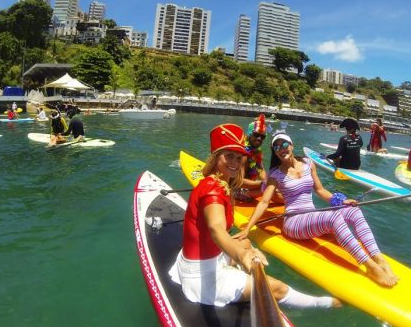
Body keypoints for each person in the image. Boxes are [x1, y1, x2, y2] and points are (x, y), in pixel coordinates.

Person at [168, 123, 342, 309]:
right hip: (202, 277)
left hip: (203, 259)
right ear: (216, 157)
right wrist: (241, 255)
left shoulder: (220, 184)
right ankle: (324, 304)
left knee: (245, 242)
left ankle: (240, 274)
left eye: (239, 157)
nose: (235, 162)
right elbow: (216, 229)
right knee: (278, 288)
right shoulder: (213, 191)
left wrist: (242, 246)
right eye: (229, 156)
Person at [238, 131, 398, 287]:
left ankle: (379, 259)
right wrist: (248, 228)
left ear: (292, 145)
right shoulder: (275, 175)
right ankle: (370, 266)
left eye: (284, 144)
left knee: (354, 210)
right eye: (277, 147)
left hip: (312, 214)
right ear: (275, 152)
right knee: (333, 218)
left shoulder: (308, 164)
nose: (281, 149)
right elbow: (264, 202)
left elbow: (320, 190)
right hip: (294, 222)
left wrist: (342, 200)